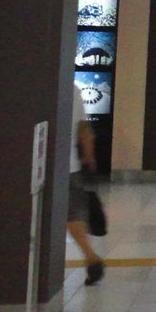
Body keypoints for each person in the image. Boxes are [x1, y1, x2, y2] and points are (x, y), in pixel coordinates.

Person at [66, 87, 105, 285]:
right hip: (70, 166)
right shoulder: (72, 89)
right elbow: (84, 129)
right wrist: (89, 156)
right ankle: (90, 256)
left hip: (42, 166)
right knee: (73, 215)